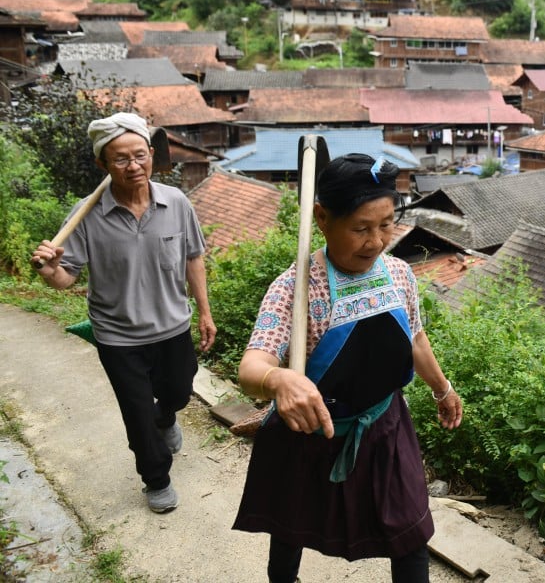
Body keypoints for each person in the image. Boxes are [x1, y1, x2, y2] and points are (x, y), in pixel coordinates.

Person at [232, 153, 463, 583]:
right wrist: (279, 379)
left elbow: (415, 338)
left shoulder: (399, 274)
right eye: (361, 228)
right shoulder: (297, 288)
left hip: (386, 426)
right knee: (292, 524)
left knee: (410, 531)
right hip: (312, 434)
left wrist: (442, 389)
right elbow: (253, 364)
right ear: (322, 218)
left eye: (386, 225)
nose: (376, 242)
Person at [32, 112, 216, 514]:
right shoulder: (85, 215)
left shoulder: (176, 202)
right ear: (102, 164)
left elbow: (193, 258)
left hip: (172, 326)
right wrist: (50, 271)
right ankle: (156, 478)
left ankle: (166, 417)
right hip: (118, 336)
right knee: (137, 414)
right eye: (120, 159)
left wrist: (205, 312)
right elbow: (65, 279)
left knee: (178, 391)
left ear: (151, 154)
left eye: (139, 155)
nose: (133, 166)